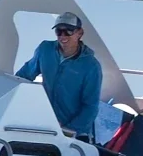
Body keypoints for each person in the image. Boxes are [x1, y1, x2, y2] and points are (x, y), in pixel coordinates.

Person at [15, 11, 102, 140]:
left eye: (68, 31)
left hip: (74, 132)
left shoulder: (91, 66)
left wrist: (69, 129)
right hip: (45, 123)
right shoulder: (45, 49)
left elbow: (90, 106)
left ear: (80, 33)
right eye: (59, 31)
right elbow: (23, 76)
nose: (63, 36)